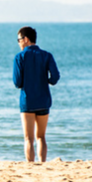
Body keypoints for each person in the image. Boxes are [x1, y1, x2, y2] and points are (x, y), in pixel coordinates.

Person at [13, 26, 60, 163]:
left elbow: (17, 83)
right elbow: (55, 77)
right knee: (41, 136)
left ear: (26, 39)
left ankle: (30, 165)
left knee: (28, 138)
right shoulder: (47, 55)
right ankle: (43, 163)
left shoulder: (19, 57)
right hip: (43, 99)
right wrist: (47, 81)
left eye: (19, 39)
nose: (18, 43)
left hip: (27, 101)